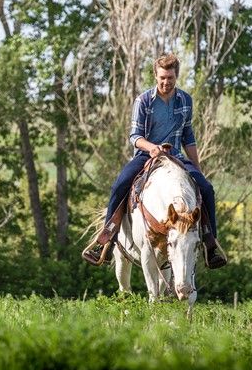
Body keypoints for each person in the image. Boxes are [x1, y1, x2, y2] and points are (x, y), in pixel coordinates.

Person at [84, 53, 226, 269]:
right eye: (162, 78)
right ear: (155, 76)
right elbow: (135, 137)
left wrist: (197, 169)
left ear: (176, 76)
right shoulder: (143, 101)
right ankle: (107, 240)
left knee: (206, 189)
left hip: (175, 156)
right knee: (120, 185)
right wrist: (152, 148)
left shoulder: (186, 100)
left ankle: (210, 244)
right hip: (145, 156)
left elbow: (188, 135)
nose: (165, 82)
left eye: (170, 78)